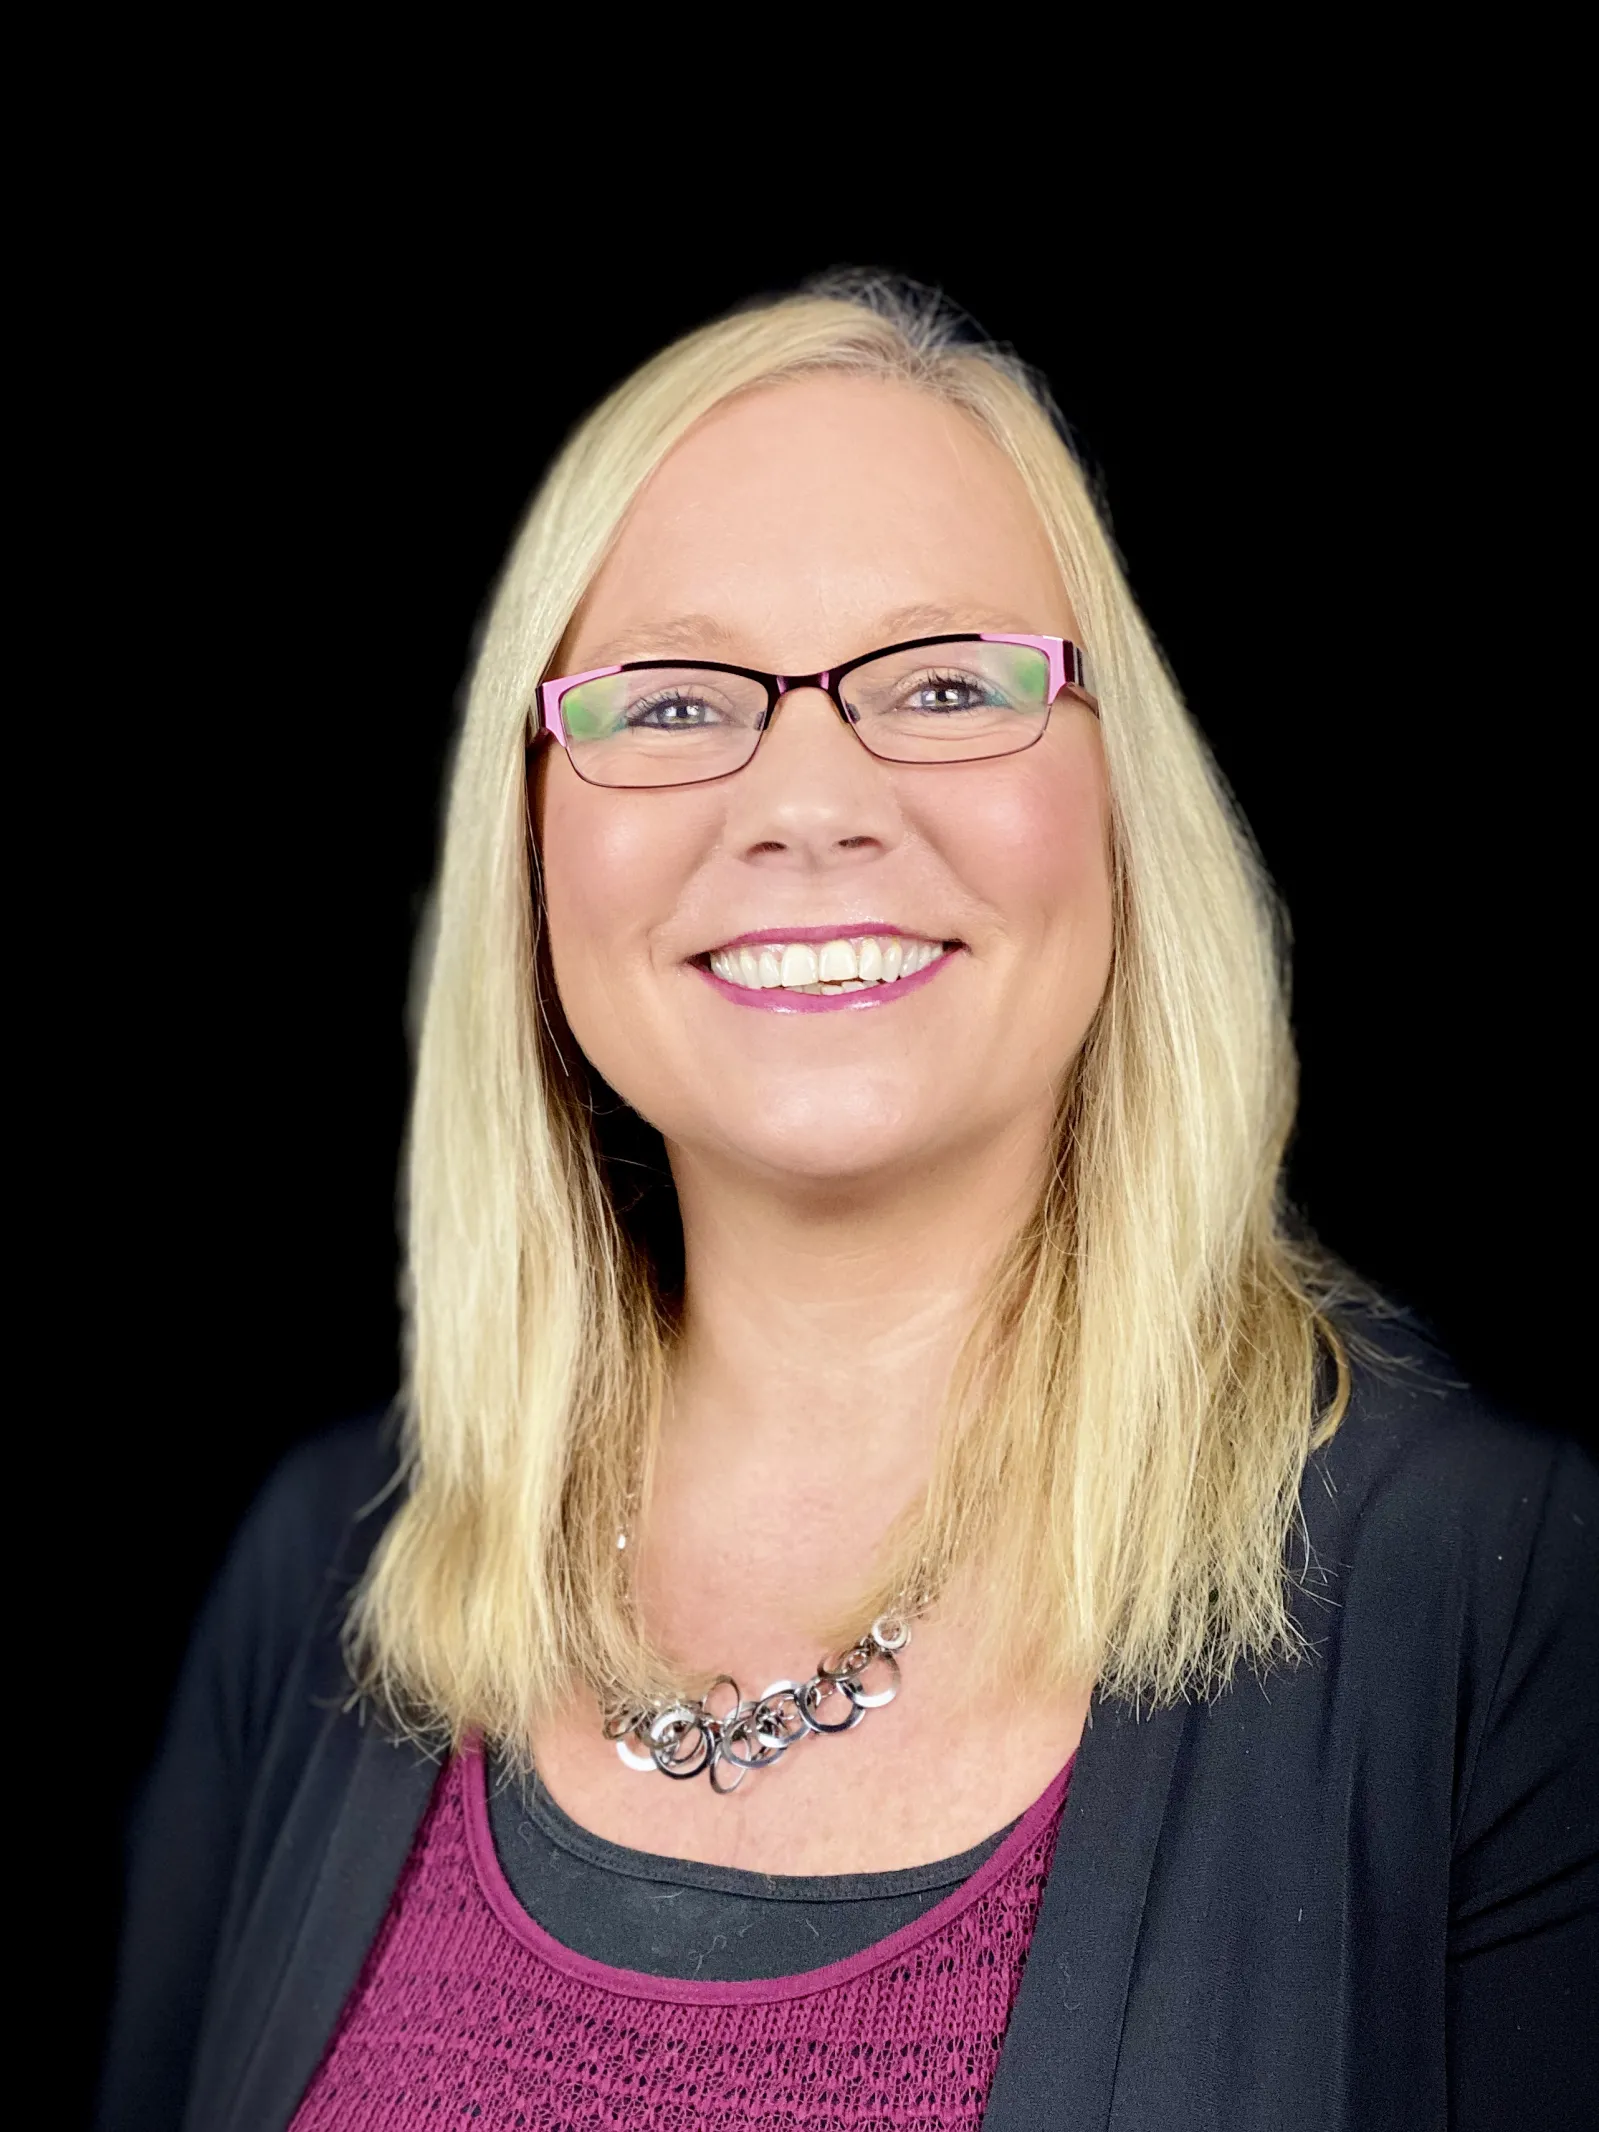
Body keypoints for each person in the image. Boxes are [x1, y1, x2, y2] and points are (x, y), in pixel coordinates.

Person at [97, 278, 1597, 2131]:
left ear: (1122, 802)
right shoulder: (324, 1576)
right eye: (671, 699)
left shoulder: (1500, 1593)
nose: (810, 801)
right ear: (536, 836)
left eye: (949, 684)